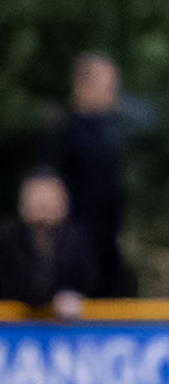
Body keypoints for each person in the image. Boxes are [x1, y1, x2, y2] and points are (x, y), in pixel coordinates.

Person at [45, 53, 136, 297]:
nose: (111, 92)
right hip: (70, 243)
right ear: (81, 85)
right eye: (105, 85)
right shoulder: (61, 131)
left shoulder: (118, 130)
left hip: (111, 241)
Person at [0, 171, 96, 318]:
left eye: (50, 200)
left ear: (64, 203)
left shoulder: (80, 242)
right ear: (22, 203)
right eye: (36, 198)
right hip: (9, 329)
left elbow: (94, 284)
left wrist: (74, 298)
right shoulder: (1, 242)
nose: (43, 205)